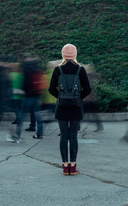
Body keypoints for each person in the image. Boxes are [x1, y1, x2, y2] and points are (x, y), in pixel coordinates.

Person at [49, 44, 91, 176]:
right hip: (76, 107)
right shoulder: (81, 70)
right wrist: (78, 98)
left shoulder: (57, 70)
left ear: (63, 54)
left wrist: (61, 98)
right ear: (75, 54)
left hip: (61, 108)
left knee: (63, 136)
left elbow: (51, 89)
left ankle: (64, 166)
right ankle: (72, 167)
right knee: (73, 136)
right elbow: (88, 90)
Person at [13, 53, 44, 142]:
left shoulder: (26, 67)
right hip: (37, 95)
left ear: (27, 59)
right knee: (38, 115)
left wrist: (23, 90)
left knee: (22, 115)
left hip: (28, 96)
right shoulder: (37, 67)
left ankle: (17, 135)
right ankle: (39, 134)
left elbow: (25, 82)